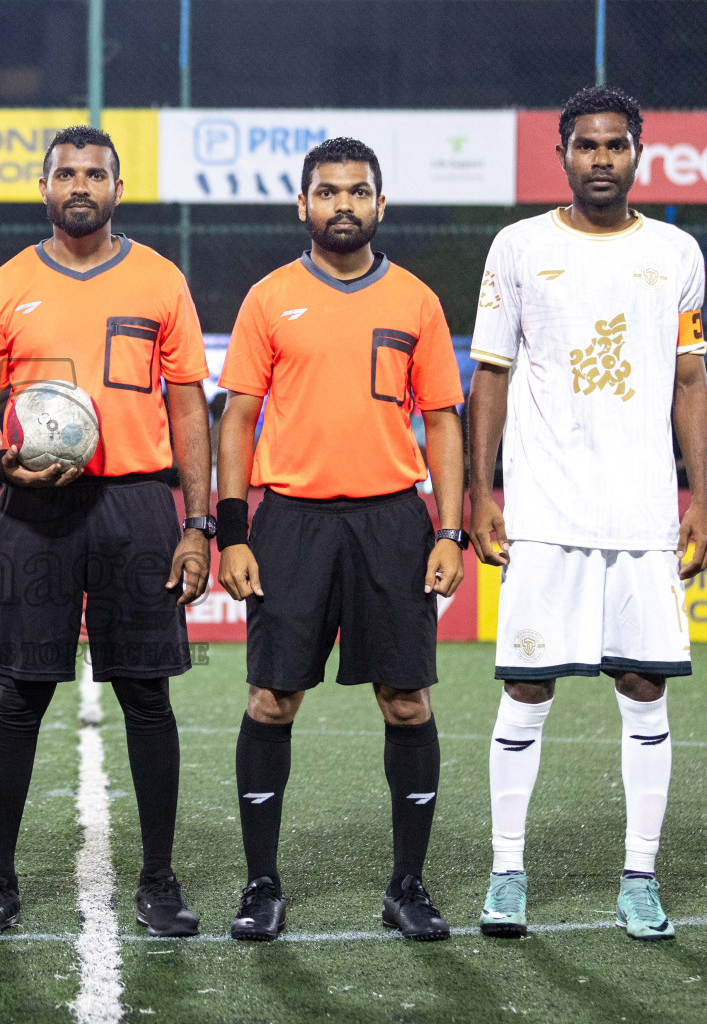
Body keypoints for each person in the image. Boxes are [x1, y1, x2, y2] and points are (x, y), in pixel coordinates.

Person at [468, 86, 707, 942]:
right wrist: (480, 491)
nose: (601, 158)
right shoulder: (518, 248)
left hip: (644, 514)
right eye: (586, 145)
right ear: (562, 154)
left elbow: (692, 380)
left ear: (638, 153)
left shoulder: (678, 253)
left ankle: (640, 879)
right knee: (525, 690)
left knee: (644, 689)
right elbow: (490, 375)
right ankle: (507, 872)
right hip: (544, 511)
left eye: (616, 145)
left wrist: (700, 502)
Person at [0, 125, 213, 939]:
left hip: (136, 505)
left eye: (94, 173)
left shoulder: (161, 281)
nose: (79, 184)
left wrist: (199, 523)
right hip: (34, 510)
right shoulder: (4, 286)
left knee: (147, 694)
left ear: (117, 189)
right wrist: (2, 459)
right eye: (65, 172)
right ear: (44, 187)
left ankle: (160, 882)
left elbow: (188, 413)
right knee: (19, 695)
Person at [216, 137, 466, 943]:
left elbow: (442, 423)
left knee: (406, 700)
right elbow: (238, 420)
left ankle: (408, 886)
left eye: (359, 191)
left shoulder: (417, 301)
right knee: (271, 699)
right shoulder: (268, 298)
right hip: (289, 521)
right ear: (303, 205)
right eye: (328, 192)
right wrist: (232, 529)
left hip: (394, 520)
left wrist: (451, 528)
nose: (344, 205)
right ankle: (261, 885)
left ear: (381, 205)